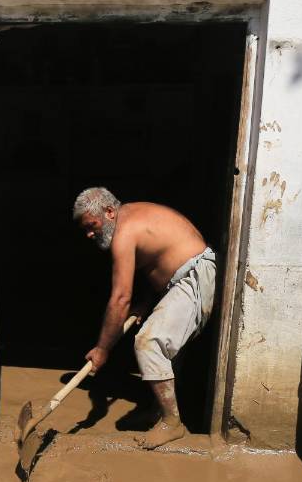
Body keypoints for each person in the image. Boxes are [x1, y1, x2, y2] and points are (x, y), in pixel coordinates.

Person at [72, 186, 217, 449]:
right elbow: (159, 262)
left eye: (91, 225)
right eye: (85, 230)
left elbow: (119, 298)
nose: (89, 233)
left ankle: (172, 423)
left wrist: (103, 349)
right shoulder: (130, 218)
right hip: (179, 279)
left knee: (148, 341)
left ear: (108, 211)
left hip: (194, 275)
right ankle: (157, 412)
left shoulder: (125, 232)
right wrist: (145, 303)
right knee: (168, 348)